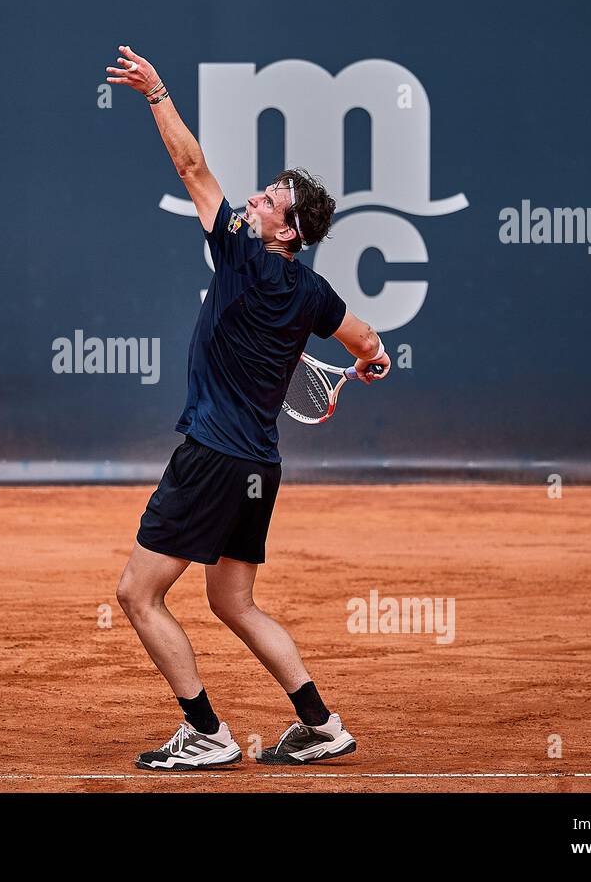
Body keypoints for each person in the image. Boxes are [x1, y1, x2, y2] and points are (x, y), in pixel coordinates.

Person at [106, 45, 391, 770]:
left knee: (138, 594)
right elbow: (367, 338)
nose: (254, 202)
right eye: (260, 193)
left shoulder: (240, 253)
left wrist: (156, 92)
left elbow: (192, 170)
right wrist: (370, 360)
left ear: (285, 232)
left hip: (211, 456)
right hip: (259, 465)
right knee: (234, 602)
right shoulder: (313, 292)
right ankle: (321, 724)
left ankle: (205, 732)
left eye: (268, 201)